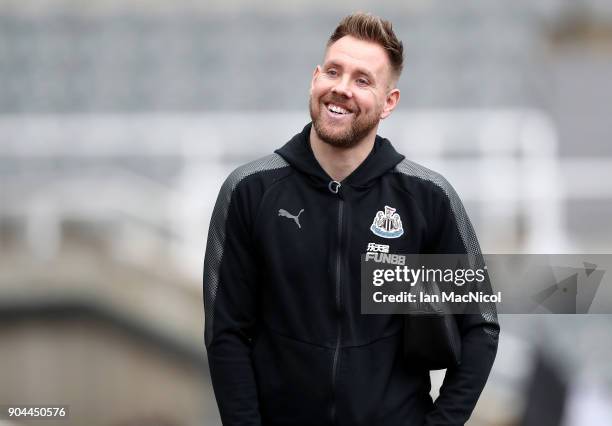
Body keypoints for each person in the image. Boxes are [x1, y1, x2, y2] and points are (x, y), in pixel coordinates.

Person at [203, 12, 499, 426]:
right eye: (333, 72)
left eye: (362, 80)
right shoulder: (250, 192)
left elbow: (480, 327)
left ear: (388, 103)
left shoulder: (428, 199)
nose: (341, 89)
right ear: (314, 78)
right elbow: (227, 334)